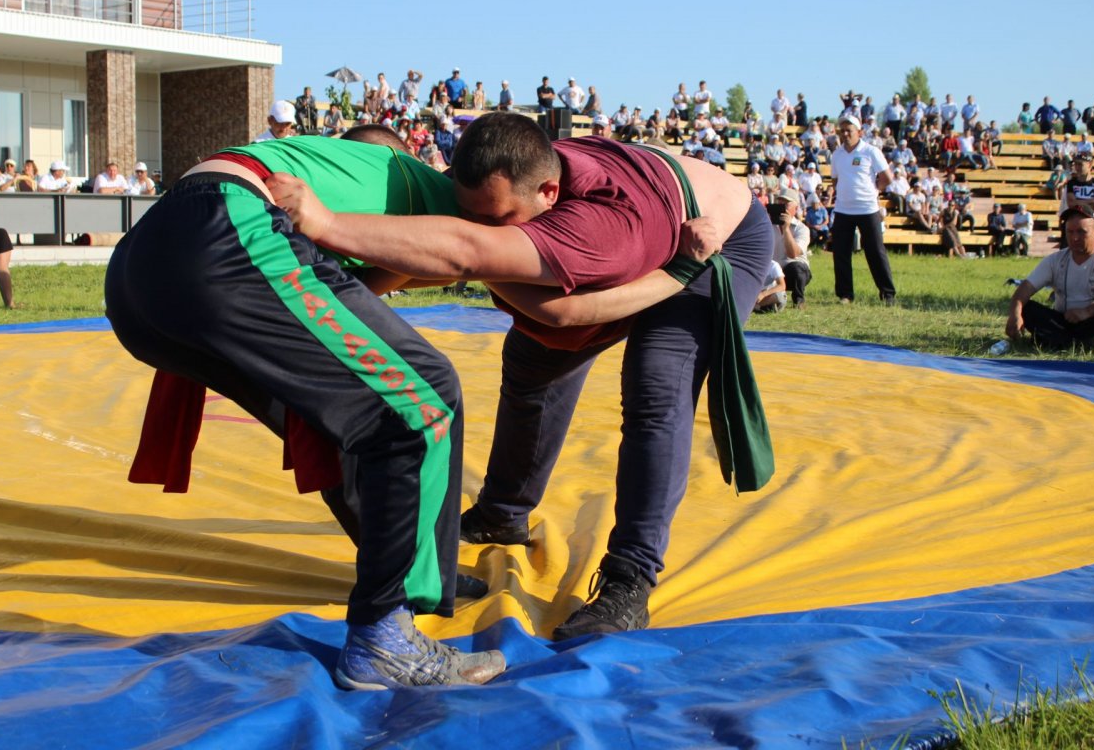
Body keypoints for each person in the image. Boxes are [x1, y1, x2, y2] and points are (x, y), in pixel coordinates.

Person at [271, 111, 775, 642]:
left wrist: (324, 224)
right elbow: (455, 253)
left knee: (656, 388)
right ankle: (503, 511)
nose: (484, 226)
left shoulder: (600, 230)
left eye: (499, 218)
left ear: (548, 195)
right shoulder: (511, 185)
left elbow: (541, 299)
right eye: (473, 212)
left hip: (709, 243)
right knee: (533, 364)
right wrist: (311, 294)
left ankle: (631, 577)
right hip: (657, 221)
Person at [104, 134, 507, 690]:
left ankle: (410, 574)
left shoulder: (330, 174)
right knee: (424, 402)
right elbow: (475, 258)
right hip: (219, 233)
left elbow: (360, 291)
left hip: (142, 271)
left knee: (340, 421)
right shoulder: (418, 183)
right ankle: (383, 633)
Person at [1006, 206, 1094, 351]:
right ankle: (1078, 342)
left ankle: (1058, 340)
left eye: (1081, 232)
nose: (1075, 238)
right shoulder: (1055, 260)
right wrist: (1015, 315)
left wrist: (1087, 312)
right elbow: (1024, 290)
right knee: (1026, 308)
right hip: (1062, 321)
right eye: (1070, 232)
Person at [830, 114, 896, 304]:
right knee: (841, 253)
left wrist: (874, 189)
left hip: (867, 208)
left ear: (859, 132)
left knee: (875, 252)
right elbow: (835, 179)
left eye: (849, 130)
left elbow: (887, 177)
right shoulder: (837, 154)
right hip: (843, 209)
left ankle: (887, 293)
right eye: (842, 130)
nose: (845, 134)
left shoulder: (871, 151)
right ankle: (845, 294)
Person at [770, 188, 811, 306]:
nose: (782, 207)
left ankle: (799, 300)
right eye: (780, 203)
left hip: (792, 271)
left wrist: (786, 228)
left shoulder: (802, 228)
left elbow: (793, 254)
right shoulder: (768, 226)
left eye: (786, 204)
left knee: (797, 268)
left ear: (795, 209)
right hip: (773, 270)